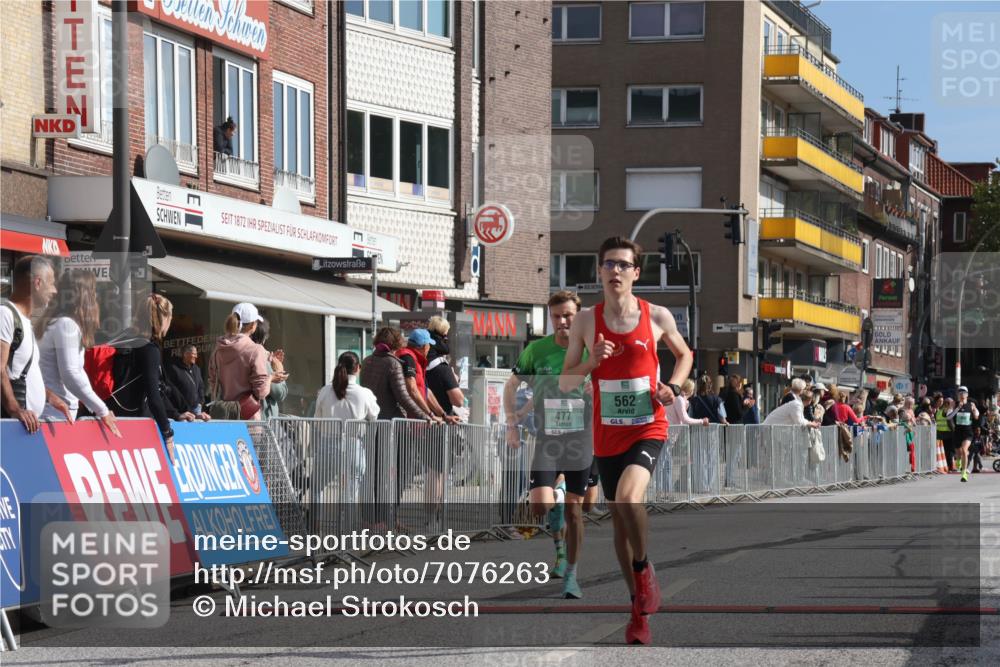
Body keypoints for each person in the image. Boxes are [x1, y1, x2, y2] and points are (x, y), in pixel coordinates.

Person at [560, 236, 694, 645]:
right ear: (599, 271)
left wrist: (672, 385)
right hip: (607, 433)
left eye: (623, 264)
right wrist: (592, 361)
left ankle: (643, 567)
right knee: (619, 523)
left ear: (636, 272)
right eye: (608, 264)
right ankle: (638, 608)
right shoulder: (585, 322)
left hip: (646, 425)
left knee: (629, 499)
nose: (614, 271)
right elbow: (566, 382)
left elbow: (685, 354)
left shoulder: (656, 316)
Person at [504, 290, 595, 599]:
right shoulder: (537, 350)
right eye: (556, 316)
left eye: (568, 315)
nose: (562, 321)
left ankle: (571, 574)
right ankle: (556, 503)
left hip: (582, 437)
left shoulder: (590, 349)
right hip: (548, 437)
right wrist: (512, 422)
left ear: (579, 315)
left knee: (581, 509)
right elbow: (512, 384)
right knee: (540, 505)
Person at [35, 270, 120, 435]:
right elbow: (71, 373)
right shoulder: (66, 325)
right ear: (84, 296)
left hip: (53, 409)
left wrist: (96, 406)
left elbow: (76, 372)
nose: (96, 298)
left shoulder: (55, 322)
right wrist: (101, 409)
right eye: (93, 292)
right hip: (55, 413)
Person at [1, 256, 71, 432]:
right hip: (12, 426)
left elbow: (19, 370)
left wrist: (49, 397)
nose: (54, 290)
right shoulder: (6, 315)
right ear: (38, 283)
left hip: (24, 426)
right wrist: (15, 409)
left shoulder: (24, 321)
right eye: (52, 283)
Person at [109, 294, 177, 462]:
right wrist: (167, 433)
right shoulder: (149, 349)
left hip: (110, 416)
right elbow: (154, 397)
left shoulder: (124, 339)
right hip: (133, 424)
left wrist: (176, 412)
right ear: (164, 318)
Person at [315, 351, 379, 507]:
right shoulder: (365, 393)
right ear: (358, 368)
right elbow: (374, 416)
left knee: (317, 487)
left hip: (327, 445)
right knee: (350, 493)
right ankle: (345, 527)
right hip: (354, 445)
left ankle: (314, 524)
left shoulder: (325, 391)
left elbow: (317, 420)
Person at [208, 303, 271, 420]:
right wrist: (271, 378)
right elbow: (261, 392)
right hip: (248, 419)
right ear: (252, 325)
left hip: (222, 416)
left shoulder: (218, 349)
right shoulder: (256, 350)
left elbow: (213, 383)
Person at [249, 317, 288, 420]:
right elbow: (280, 393)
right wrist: (277, 369)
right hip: (262, 420)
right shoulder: (262, 357)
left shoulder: (241, 353)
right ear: (264, 337)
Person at [165, 344, 211, 421]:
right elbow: (173, 391)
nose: (196, 356)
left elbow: (201, 387)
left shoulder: (196, 369)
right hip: (181, 410)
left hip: (196, 409)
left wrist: (200, 402)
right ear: (185, 354)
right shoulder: (174, 369)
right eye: (194, 354)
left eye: (196, 354)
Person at [948, 386, 979, 482]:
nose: (962, 394)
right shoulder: (953, 404)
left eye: (964, 392)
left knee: (964, 451)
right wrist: (957, 408)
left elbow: (977, 416)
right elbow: (948, 417)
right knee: (958, 452)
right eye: (960, 392)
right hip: (957, 431)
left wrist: (974, 412)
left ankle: (964, 473)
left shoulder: (971, 404)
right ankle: (958, 461)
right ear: (957, 394)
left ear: (967, 394)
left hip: (968, 432)